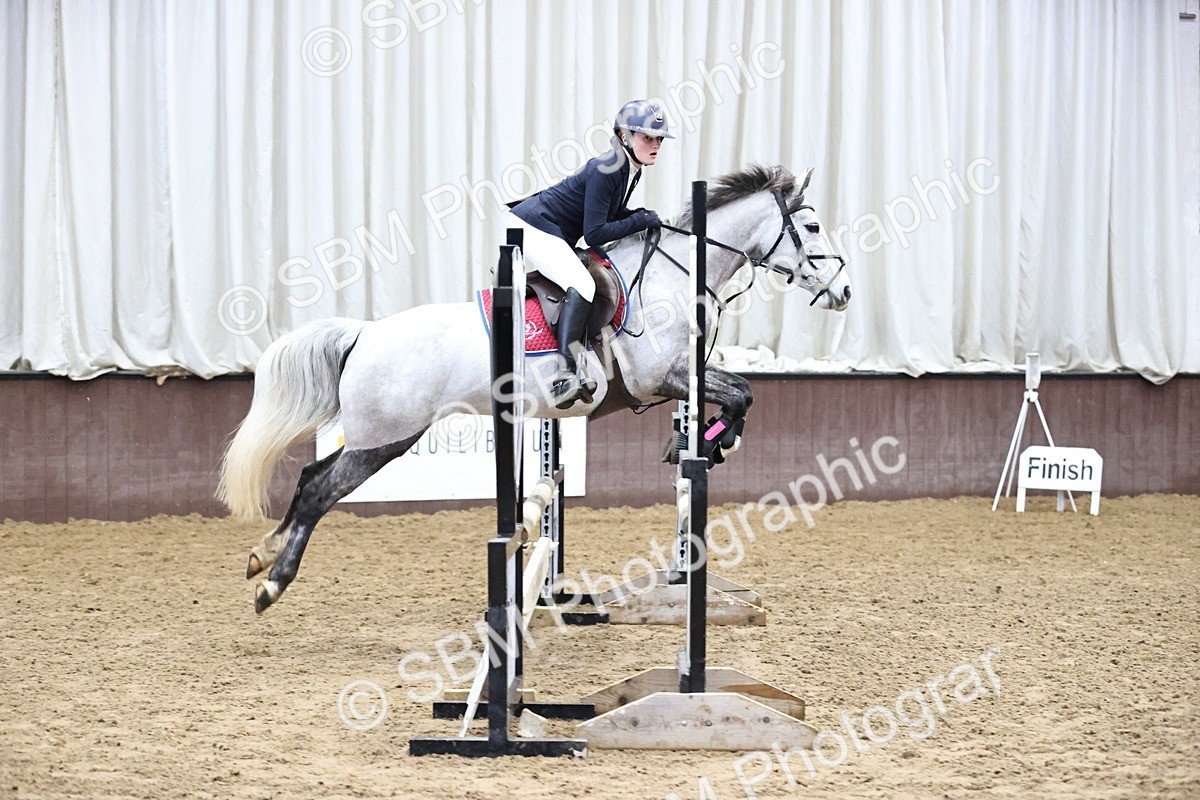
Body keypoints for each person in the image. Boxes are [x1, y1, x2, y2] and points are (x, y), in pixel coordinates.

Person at [507, 99, 673, 409]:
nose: (655, 144)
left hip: (554, 229)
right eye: (646, 137)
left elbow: (608, 212)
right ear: (624, 137)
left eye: (659, 138)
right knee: (582, 285)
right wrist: (639, 219)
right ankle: (564, 376)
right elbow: (595, 232)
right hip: (534, 225)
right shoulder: (606, 168)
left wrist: (637, 215)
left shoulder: (629, 169)